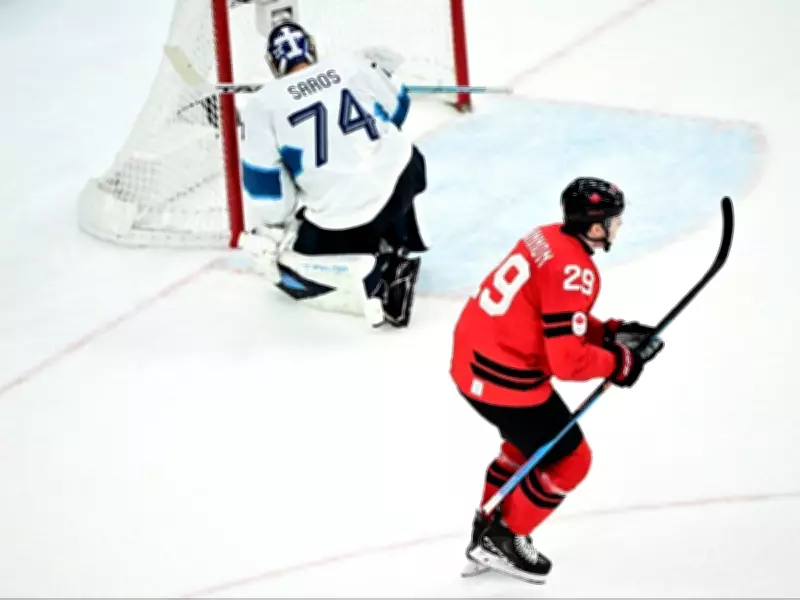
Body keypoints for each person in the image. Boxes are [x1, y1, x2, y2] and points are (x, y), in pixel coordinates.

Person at [449, 176, 665, 583]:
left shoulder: (545, 236)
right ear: (595, 226)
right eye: (614, 220)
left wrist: (608, 332)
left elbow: (551, 314)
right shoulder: (577, 270)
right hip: (503, 377)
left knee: (524, 445)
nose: (619, 225)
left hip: (472, 361)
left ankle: (488, 525)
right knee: (571, 458)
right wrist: (618, 363)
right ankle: (506, 536)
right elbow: (567, 362)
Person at [237, 20, 428, 328]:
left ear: (273, 64)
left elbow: (269, 198)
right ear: (312, 49)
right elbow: (399, 109)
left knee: (288, 258)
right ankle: (403, 236)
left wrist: (292, 210)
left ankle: (381, 277)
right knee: (388, 160)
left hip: (349, 214)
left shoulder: (261, 105)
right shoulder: (349, 63)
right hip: (409, 173)